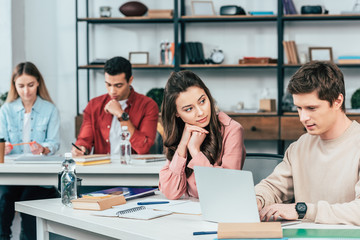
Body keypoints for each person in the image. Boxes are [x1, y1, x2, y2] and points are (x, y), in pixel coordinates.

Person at [255, 61, 360, 226]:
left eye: (311, 108)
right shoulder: (300, 146)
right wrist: (257, 199)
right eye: (299, 108)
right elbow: (273, 187)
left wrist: (302, 210)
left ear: (338, 101)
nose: (303, 118)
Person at [159, 70, 246, 200]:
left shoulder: (232, 130)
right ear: (176, 113)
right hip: (188, 212)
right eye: (189, 109)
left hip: (220, 210)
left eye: (202, 101)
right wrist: (182, 145)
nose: (200, 112)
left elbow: (227, 188)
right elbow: (171, 193)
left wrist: (194, 150)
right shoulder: (182, 133)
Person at [0, 62, 60, 240]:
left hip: (38, 175)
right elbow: (1, 141)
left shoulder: (50, 109)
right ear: (14, 86)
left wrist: (44, 148)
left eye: (31, 85)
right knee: (3, 201)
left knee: (29, 205)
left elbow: (54, 143)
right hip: (13, 175)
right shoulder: (6, 110)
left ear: (38, 83)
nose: (26, 91)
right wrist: (5, 148)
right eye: (21, 86)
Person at [72, 56, 158, 156]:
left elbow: (143, 147)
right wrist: (81, 148)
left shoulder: (148, 106)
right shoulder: (94, 105)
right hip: (103, 168)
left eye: (118, 85)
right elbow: (84, 140)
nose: (112, 91)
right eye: (108, 85)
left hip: (134, 168)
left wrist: (120, 114)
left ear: (130, 80)